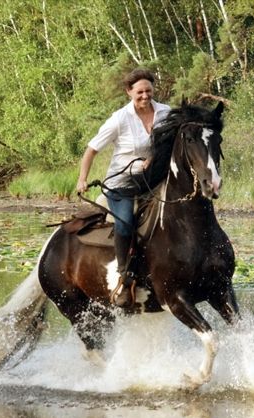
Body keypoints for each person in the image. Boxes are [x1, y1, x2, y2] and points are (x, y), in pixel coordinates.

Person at [76, 69, 171, 307]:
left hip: (154, 181)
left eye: (148, 90)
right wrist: (82, 178)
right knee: (126, 222)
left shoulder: (165, 112)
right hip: (123, 183)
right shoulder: (119, 118)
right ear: (129, 92)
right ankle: (124, 274)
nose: (145, 96)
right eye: (139, 92)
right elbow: (91, 150)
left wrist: (157, 157)